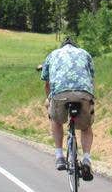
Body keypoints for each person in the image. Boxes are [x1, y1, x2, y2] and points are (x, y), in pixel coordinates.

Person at [40, 36, 95, 181]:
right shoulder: (85, 54)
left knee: (55, 119)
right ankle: (87, 159)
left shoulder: (53, 54)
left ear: (62, 46)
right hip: (84, 93)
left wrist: (49, 99)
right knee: (86, 127)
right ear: (75, 46)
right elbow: (91, 78)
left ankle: (59, 155)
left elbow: (47, 84)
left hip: (60, 94)